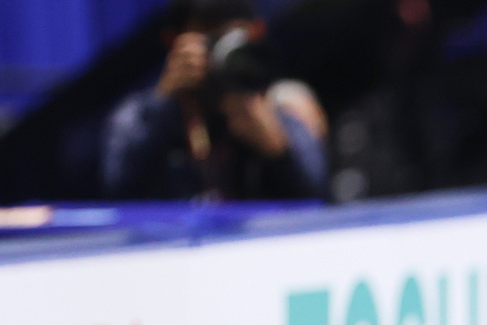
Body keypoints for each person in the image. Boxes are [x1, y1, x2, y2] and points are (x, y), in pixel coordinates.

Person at [102, 0, 328, 201]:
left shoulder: (279, 110)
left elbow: (318, 199)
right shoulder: (140, 116)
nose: (221, 54)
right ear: (173, 41)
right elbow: (118, 189)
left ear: (257, 33)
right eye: (210, 40)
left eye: (232, 40)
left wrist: (278, 152)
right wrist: (165, 105)